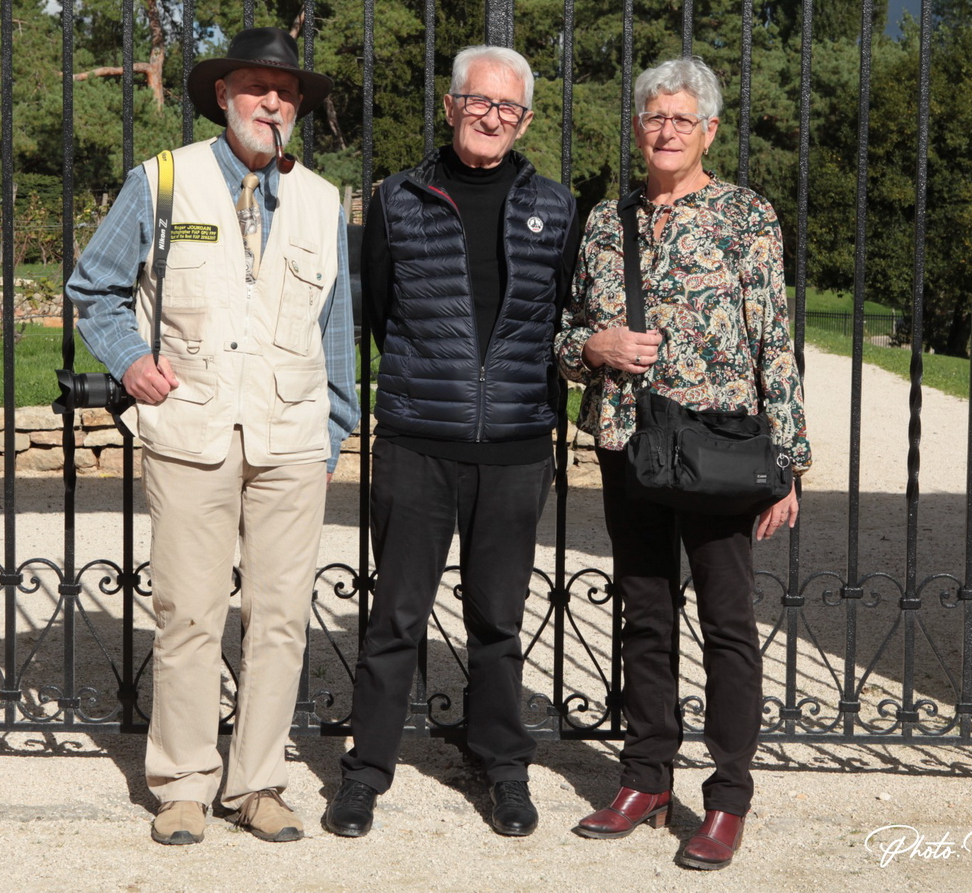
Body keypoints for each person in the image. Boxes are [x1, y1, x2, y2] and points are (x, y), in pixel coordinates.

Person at [66, 27, 359, 846]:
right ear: (223, 96)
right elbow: (94, 289)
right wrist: (131, 361)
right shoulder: (163, 181)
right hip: (191, 430)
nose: (273, 103)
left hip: (291, 439)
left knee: (281, 619)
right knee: (190, 614)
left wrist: (333, 431)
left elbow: (336, 329)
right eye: (257, 87)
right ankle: (184, 785)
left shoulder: (322, 200)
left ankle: (257, 784)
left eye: (286, 92)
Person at [553, 57, 811, 870]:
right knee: (646, 612)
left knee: (727, 624)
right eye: (653, 116)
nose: (666, 130)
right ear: (637, 127)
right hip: (629, 441)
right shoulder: (606, 220)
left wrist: (789, 462)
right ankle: (646, 778)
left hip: (718, 449)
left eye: (681, 118)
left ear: (709, 130)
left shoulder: (745, 215)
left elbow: (775, 340)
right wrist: (592, 347)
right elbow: (566, 332)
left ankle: (727, 797)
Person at [322, 45, 579, 839]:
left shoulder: (557, 207)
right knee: (395, 616)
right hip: (417, 441)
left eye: (508, 107)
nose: (491, 117)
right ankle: (367, 771)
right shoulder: (397, 200)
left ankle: (502, 767)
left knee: (498, 620)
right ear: (451, 105)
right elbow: (378, 310)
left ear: (524, 120)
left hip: (516, 445)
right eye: (478, 101)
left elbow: (563, 316)